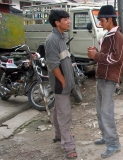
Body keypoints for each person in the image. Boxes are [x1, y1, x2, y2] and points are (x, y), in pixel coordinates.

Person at [87, 5, 123, 159]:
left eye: (102, 20)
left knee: (106, 113)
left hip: (109, 79)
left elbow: (116, 59)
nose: (100, 23)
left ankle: (114, 144)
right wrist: (95, 53)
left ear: (110, 19)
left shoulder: (118, 37)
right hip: (102, 77)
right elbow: (106, 55)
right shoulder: (108, 35)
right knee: (100, 111)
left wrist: (96, 56)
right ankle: (106, 137)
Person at [45, 9, 77, 159]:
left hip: (65, 83)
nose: (68, 21)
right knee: (65, 114)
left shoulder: (61, 38)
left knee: (59, 110)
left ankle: (59, 135)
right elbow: (53, 64)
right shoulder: (52, 40)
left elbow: (63, 60)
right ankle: (69, 147)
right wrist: (64, 81)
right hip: (60, 85)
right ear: (57, 22)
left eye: (68, 19)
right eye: (65, 19)